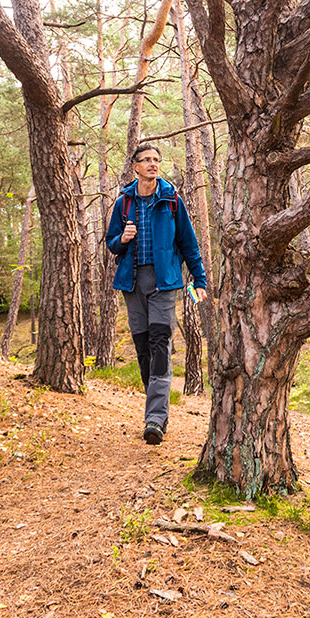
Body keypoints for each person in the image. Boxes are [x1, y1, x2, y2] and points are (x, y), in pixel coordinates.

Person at [105, 141, 208, 445]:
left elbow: (189, 243)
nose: (152, 164)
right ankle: (158, 410)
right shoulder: (124, 202)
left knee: (160, 344)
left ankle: (155, 419)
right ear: (135, 166)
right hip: (133, 283)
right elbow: (111, 243)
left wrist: (199, 280)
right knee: (144, 351)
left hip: (165, 282)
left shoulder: (172, 200)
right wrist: (122, 239)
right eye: (146, 160)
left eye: (156, 160)